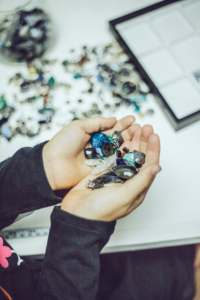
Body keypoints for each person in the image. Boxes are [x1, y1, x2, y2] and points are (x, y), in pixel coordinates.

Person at [0, 114, 164, 300]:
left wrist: (44, 169)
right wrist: (77, 233)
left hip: (41, 271)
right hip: (66, 281)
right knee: (173, 270)